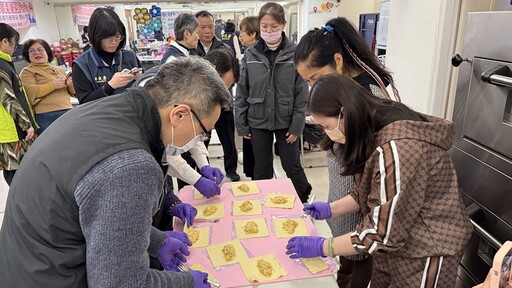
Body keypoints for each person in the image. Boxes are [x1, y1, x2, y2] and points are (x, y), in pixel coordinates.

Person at [0, 57, 230, 287]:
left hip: (27, 262)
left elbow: (104, 214)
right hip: (50, 275)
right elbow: (119, 283)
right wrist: (185, 283)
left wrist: (156, 240)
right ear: (178, 114)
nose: (199, 139)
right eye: (202, 132)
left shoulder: (114, 110)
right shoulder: (132, 166)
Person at [285, 74, 473, 287]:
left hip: (429, 249)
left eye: (327, 125)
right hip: (398, 244)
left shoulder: (399, 149)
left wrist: (324, 247)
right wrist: (330, 209)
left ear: (343, 112)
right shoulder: (374, 125)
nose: (327, 133)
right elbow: (373, 191)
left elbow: (380, 233)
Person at [292, 17, 401, 287]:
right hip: (348, 200)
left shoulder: (368, 97)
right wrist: (331, 208)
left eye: (315, 78)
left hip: (362, 219)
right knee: (347, 269)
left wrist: (327, 245)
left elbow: (372, 183)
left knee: (356, 274)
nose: (312, 87)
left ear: (338, 61)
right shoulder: (343, 93)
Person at [235, 2, 312, 203]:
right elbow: (242, 91)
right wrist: (241, 125)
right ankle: (263, 202)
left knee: (291, 164)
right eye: (264, 27)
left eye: (274, 27)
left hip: (286, 119)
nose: (268, 31)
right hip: (258, 119)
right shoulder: (251, 54)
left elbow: (301, 93)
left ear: (283, 25)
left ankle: (303, 200)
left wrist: (297, 126)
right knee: (261, 166)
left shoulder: (296, 53)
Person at [191, 10, 240, 183]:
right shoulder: (191, 50)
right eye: (202, 27)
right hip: (200, 107)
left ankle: (231, 169)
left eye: (210, 26)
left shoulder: (225, 48)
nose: (207, 31)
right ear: (195, 28)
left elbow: (232, 74)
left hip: (223, 103)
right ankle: (204, 169)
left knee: (228, 138)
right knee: (201, 139)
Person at [72, 8, 143, 104]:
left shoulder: (129, 56)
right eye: (108, 37)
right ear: (96, 36)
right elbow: (84, 102)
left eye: (118, 36)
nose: (114, 42)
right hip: (102, 117)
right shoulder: (81, 65)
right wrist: (110, 86)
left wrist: (140, 78)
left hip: (132, 115)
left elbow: (146, 89)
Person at [0, 23, 37, 186]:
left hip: (13, 128)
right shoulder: (1, 66)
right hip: (11, 130)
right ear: (4, 42)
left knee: (19, 170)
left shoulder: (5, 63)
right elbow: (7, 98)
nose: (15, 47)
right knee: (15, 172)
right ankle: (22, 207)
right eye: (14, 42)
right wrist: (25, 124)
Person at [20, 39, 73, 135]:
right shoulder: (27, 71)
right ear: (27, 55)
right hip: (46, 116)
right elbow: (29, 92)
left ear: (47, 52)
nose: (36, 53)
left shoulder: (59, 69)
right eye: (32, 51)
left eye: (40, 50)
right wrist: (52, 85)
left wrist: (71, 84)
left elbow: (72, 92)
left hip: (67, 111)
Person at [236, 16, 259, 179]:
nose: (240, 36)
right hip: (251, 112)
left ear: (253, 33)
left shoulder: (255, 55)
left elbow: (244, 91)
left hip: (255, 114)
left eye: (243, 31)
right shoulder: (248, 54)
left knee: (257, 158)